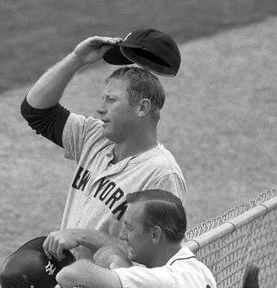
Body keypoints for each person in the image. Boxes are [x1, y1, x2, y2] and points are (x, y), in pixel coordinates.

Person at [21, 32, 186, 260]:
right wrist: (77, 58)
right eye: (103, 99)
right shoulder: (95, 137)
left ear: (142, 108)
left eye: (111, 100)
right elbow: (36, 111)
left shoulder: (161, 174)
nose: (101, 109)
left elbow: (159, 257)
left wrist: (83, 236)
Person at [55, 189, 217, 288]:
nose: (122, 235)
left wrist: (114, 263)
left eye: (130, 228)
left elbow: (69, 275)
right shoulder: (200, 271)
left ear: (154, 234)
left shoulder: (164, 281)